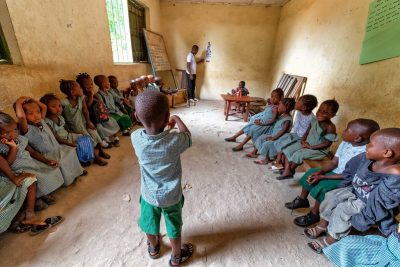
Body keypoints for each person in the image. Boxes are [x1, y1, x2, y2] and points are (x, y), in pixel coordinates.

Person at [305, 128, 400, 254]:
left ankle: (330, 239)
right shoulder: (366, 158)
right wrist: (343, 187)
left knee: (343, 210)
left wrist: (363, 220)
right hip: (354, 190)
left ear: (387, 153)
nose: (367, 146)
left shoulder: (395, 176)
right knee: (331, 197)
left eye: (371, 144)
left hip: (367, 202)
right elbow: (350, 171)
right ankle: (322, 226)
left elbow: (381, 203)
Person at [131, 91, 194, 266]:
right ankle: (176, 256)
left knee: (149, 222)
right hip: (171, 196)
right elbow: (187, 136)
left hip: (148, 195)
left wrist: (165, 127)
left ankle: (153, 248)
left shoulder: (135, 138)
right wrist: (177, 119)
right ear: (166, 117)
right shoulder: (174, 141)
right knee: (174, 225)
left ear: (137, 116)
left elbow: (154, 137)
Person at [284, 119, 380, 227]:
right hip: (337, 171)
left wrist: (323, 177)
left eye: (347, 130)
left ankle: (314, 214)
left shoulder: (365, 154)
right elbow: (334, 162)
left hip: (347, 179)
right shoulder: (345, 143)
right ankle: (302, 199)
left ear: (357, 138)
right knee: (311, 172)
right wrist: (320, 171)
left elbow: (350, 176)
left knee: (324, 187)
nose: (342, 131)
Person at [15, 96, 85, 186]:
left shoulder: (41, 120)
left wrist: (32, 99)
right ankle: (68, 180)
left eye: (38, 112)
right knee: (61, 162)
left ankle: (76, 172)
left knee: (71, 153)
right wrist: (18, 103)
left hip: (57, 148)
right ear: (24, 115)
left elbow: (44, 107)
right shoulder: (26, 129)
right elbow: (21, 118)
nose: (36, 115)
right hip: (47, 154)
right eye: (30, 113)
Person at [0, 111, 64, 205]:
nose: (13, 134)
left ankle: (41, 195)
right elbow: (8, 163)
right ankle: (37, 199)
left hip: (30, 164)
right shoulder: (2, 146)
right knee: (34, 179)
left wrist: (46, 161)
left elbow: (33, 152)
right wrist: (13, 148)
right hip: (18, 170)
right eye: (7, 133)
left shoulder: (20, 139)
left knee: (50, 171)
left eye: (15, 129)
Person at [276, 99, 339, 180]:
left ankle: (290, 170)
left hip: (318, 150)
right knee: (288, 149)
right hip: (307, 144)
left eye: (326, 112)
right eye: (319, 110)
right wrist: (302, 140)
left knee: (298, 154)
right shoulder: (314, 120)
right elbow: (307, 131)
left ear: (333, 115)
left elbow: (327, 143)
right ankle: (288, 171)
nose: (320, 113)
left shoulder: (330, 127)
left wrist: (311, 147)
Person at [59, 79, 109, 166]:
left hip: (84, 121)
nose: (81, 89)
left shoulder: (81, 98)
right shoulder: (64, 103)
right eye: (79, 87)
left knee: (94, 133)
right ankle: (96, 157)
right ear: (72, 92)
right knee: (87, 139)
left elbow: (85, 111)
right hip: (75, 126)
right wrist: (68, 128)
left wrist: (88, 122)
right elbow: (62, 117)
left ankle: (101, 151)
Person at [271, 94, 318, 170]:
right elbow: (296, 124)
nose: (296, 103)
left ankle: (279, 163)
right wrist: (291, 134)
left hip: (303, 138)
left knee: (287, 146)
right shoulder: (299, 112)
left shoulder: (312, 118)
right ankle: (279, 162)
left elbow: (309, 132)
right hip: (295, 134)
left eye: (298, 102)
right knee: (281, 141)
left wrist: (301, 140)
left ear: (304, 107)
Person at [76, 73, 120, 147]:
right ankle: (106, 139)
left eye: (91, 84)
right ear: (80, 86)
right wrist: (91, 96)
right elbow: (88, 106)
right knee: (99, 127)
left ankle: (115, 137)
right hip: (92, 117)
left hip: (100, 115)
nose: (90, 86)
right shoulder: (83, 96)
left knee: (110, 122)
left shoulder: (93, 94)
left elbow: (100, 103)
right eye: (87, 85)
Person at [247, 98, 296, 162]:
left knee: (267, 144)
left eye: (280, 105)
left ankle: (267, 159)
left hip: (280, 138)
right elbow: (273, 121)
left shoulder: (287, 120)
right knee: (261, 137)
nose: (278, 106)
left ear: (285, 107)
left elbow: (282, 131)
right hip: (274, 134)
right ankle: (254, 152)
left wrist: (273, 138)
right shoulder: (282, 116)